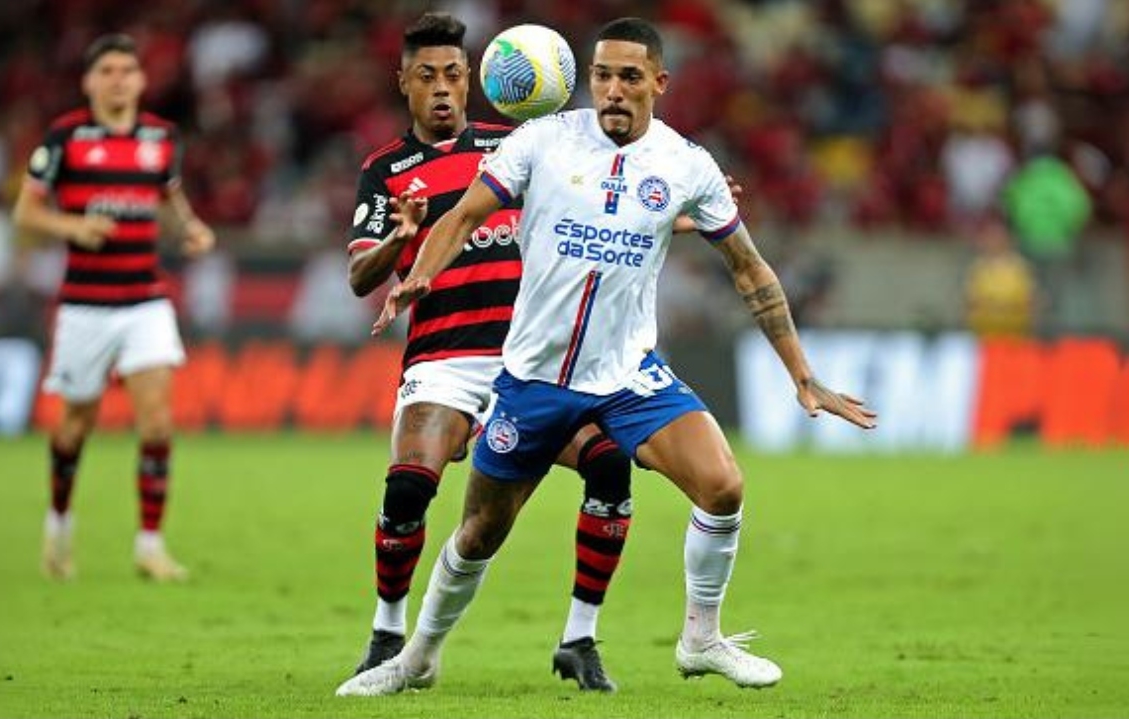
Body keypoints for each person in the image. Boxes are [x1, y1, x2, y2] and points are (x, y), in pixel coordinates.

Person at [336, 17, 876, 697]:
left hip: (628, 376)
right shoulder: (543, 140)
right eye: (601, 75)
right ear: (584, 79)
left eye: (627, 75)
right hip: (532, 379)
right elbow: (465, 216)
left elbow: (751, 271)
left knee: (724, 486)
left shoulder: (687, 164)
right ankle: (415, 654)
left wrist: (803, 374)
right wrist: (418, 276)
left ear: (659, 82)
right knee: (478, 532)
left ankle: (700, 638)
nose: (612, 89)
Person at [341, 12, 638, 692]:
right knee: (409, 484)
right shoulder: (386, 169)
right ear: (403, 84)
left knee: (609, 466)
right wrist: (399, 238)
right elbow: (361, 275)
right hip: (444, 356)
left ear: (472, 78)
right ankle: (389, 628)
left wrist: (681, 212)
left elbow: (604, 208)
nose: (442, 89)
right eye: (427, 77)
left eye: (453, 74)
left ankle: (580, 638)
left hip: (533, 361)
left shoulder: (519, 145)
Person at [12, 33, 215, 582]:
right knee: (74, 426)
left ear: (141, 80)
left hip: (145, 300)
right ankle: (58, 529)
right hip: (84, 305)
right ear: (90, 82)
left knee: (157, 423)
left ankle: (149, 545)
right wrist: (72, 225)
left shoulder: (161, 136)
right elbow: (26, 215)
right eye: (108, 71)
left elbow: (169, 200)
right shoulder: (66, 137)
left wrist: (191, 229)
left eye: (128, 70)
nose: (120, 79)